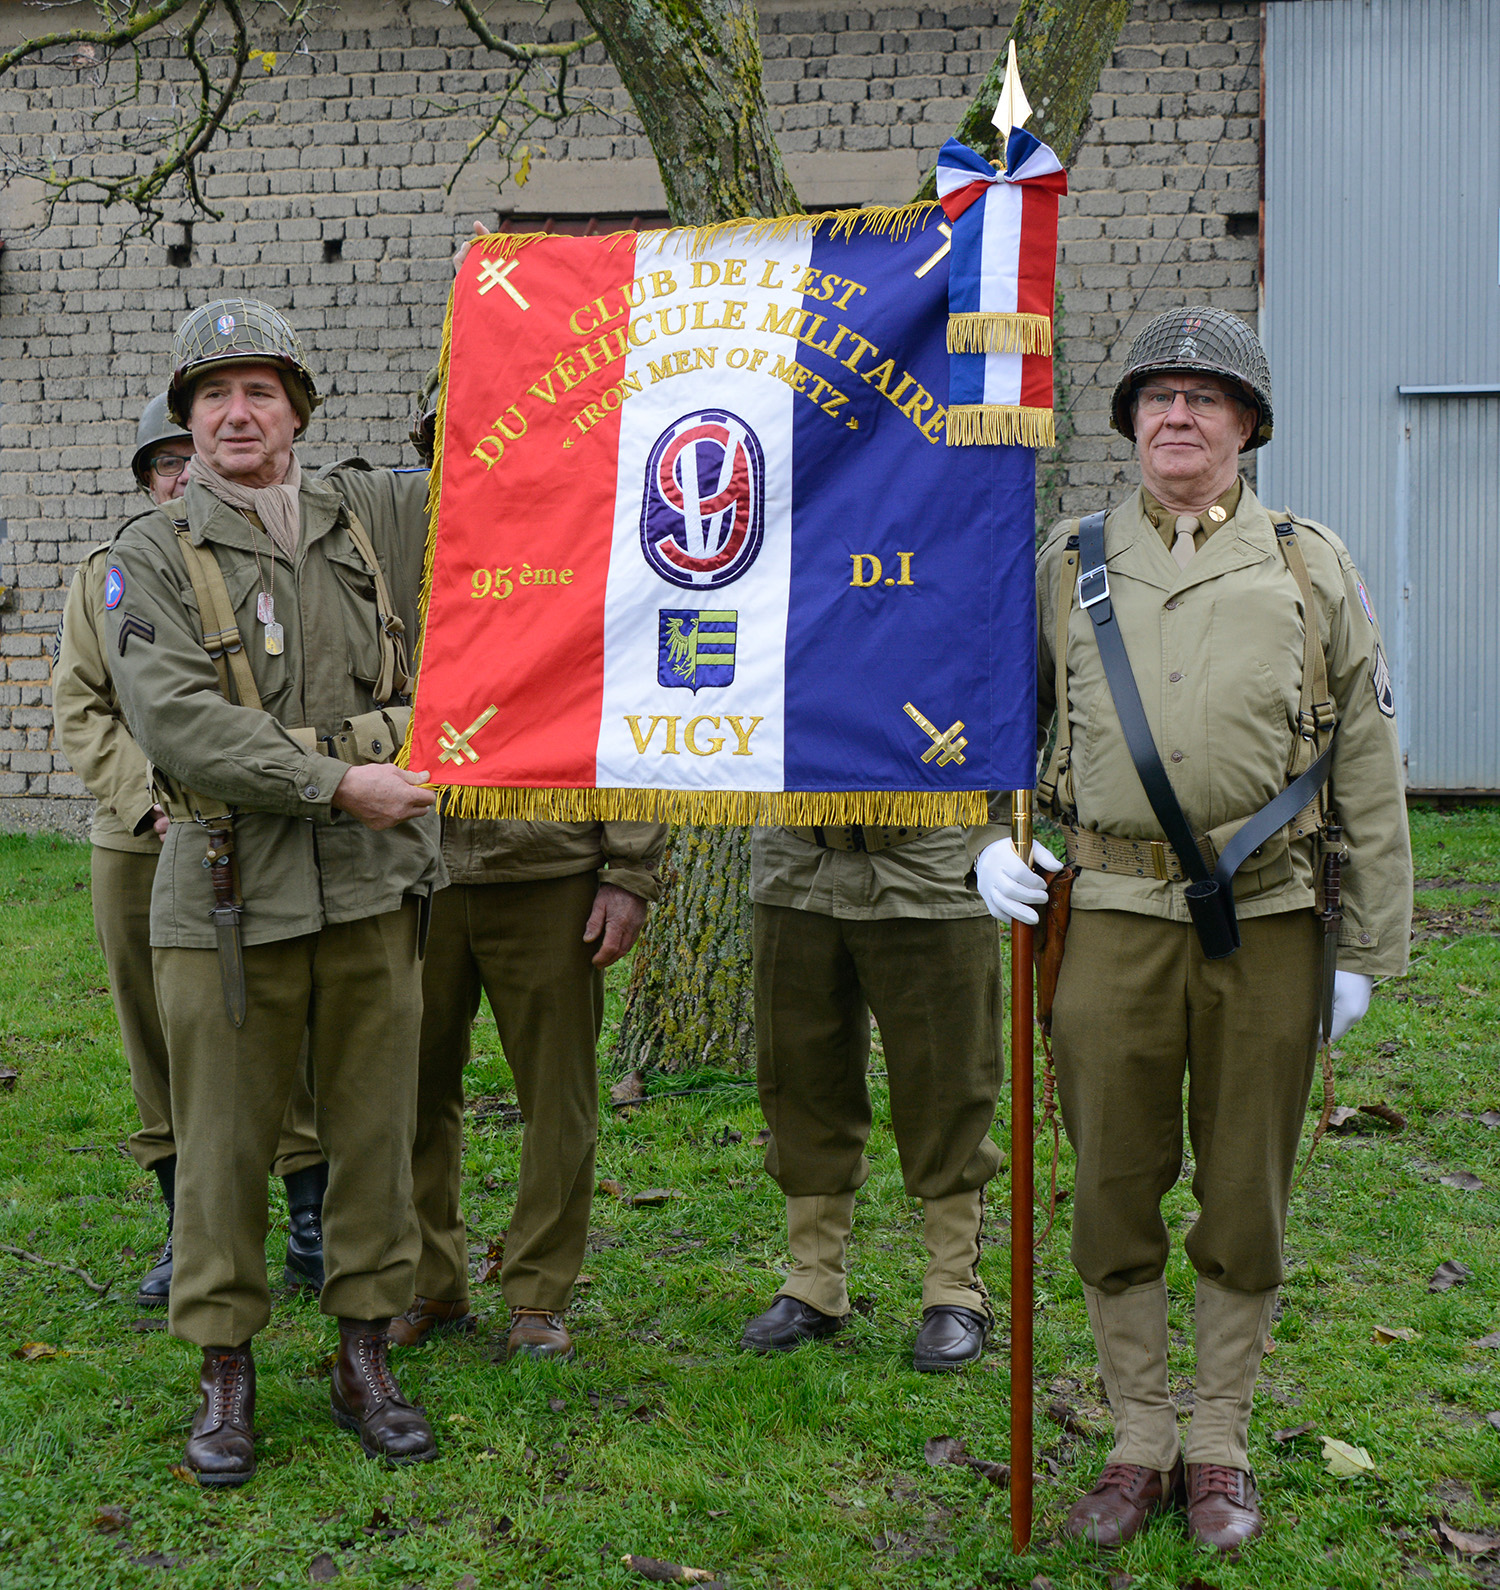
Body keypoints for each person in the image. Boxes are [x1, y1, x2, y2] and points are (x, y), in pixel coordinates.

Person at [977, 306, 1412, 1552]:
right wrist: (984, 846)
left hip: (1273, 916)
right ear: (1129, 427)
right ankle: (1138, 1438)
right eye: (1156, 397)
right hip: (1107, 912)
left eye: (1206, 398)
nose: (1178, 414)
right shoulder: (1068, 558)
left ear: (1248, 427)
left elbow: (1366, 756)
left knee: (1243, 1190)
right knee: (1111, 1180)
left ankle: (1216, 1439)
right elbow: (997, 727)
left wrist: (1367, 953)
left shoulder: (1306, 562)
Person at [103, 299, 445, 1486]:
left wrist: (348, 753)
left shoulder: (371, 524)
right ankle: (224, 1369)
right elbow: (182, 729)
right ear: (186, 424)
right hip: (223, 897)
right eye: (211, 397)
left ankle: (363, 1356)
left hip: (371, 891)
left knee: (372, 1137)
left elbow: (454, 675)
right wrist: (345, 769)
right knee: (224, 1148)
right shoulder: (145, 555)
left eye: (258, 391)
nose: (235, 414)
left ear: (298, 407)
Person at [388, 397, 669, 1363]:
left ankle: (539, 1294)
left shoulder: (590, 555)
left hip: (549, 867)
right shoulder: (392, 563)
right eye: (445, 442)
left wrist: (630, 868)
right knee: (409, 1094)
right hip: (413, 868)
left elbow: (630, 712)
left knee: (559, 1097)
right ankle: (432, 1282)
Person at [52, 394, 329, 1312]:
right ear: (147, 481)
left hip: (257, 824)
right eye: (163, 465)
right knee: (157, 1030)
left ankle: (306, 1213)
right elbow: (83, 709)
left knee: (277, 1013)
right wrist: (148, 803)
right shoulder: (109, 573)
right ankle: (185, 1226)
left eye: (188, 460)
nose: (181, 475)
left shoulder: (268, 558)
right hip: (140, 837)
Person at [739, 810, 1007, 1373]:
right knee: (801, 1075)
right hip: (796, 858)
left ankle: (954, 1287)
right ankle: (814, 1280)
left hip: (932, 858)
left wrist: (992, 834)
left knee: (947, 1083)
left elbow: (1007, 725)